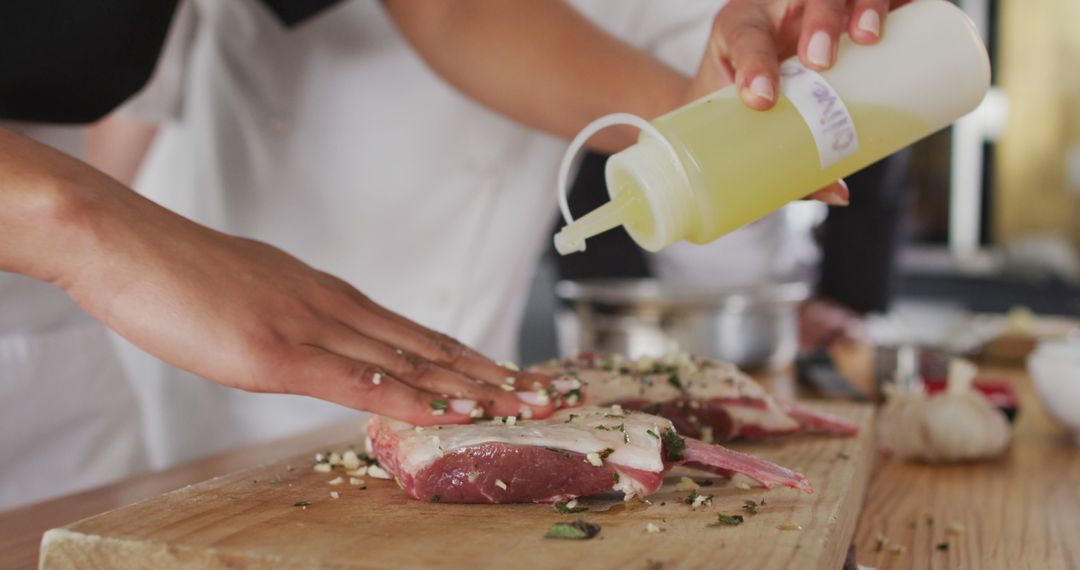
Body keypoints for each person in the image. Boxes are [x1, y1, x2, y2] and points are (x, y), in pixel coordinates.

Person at [0, 0, 898, 506]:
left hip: (67, 365)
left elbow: (448, 8)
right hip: (81, 265)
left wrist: (699, 126)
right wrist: (88, 225)